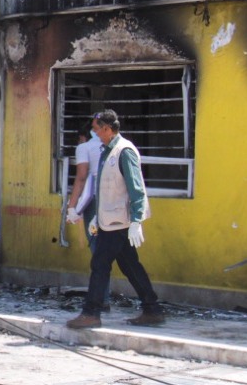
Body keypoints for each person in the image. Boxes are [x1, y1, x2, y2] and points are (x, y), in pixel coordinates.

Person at [67, 109, 164, 329]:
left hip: (120, 221)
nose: (94, 132)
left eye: (96, 128)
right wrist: (95, 217)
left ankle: (91, 312)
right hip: (109, 220)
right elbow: (104, 188)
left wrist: (137, 221)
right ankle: (152, 308)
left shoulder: (124, 151)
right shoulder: (106, 151)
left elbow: (136, 188)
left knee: (100, 264)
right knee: (130, 265)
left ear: (108, 129)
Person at [66, 122, 104, 248]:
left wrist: (71, 207)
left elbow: (81, 177)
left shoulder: (84, 148)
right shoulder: (109, 146)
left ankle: (99, 266)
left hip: (94, 200)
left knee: (94, 235)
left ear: (83, 136)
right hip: (115, 199)